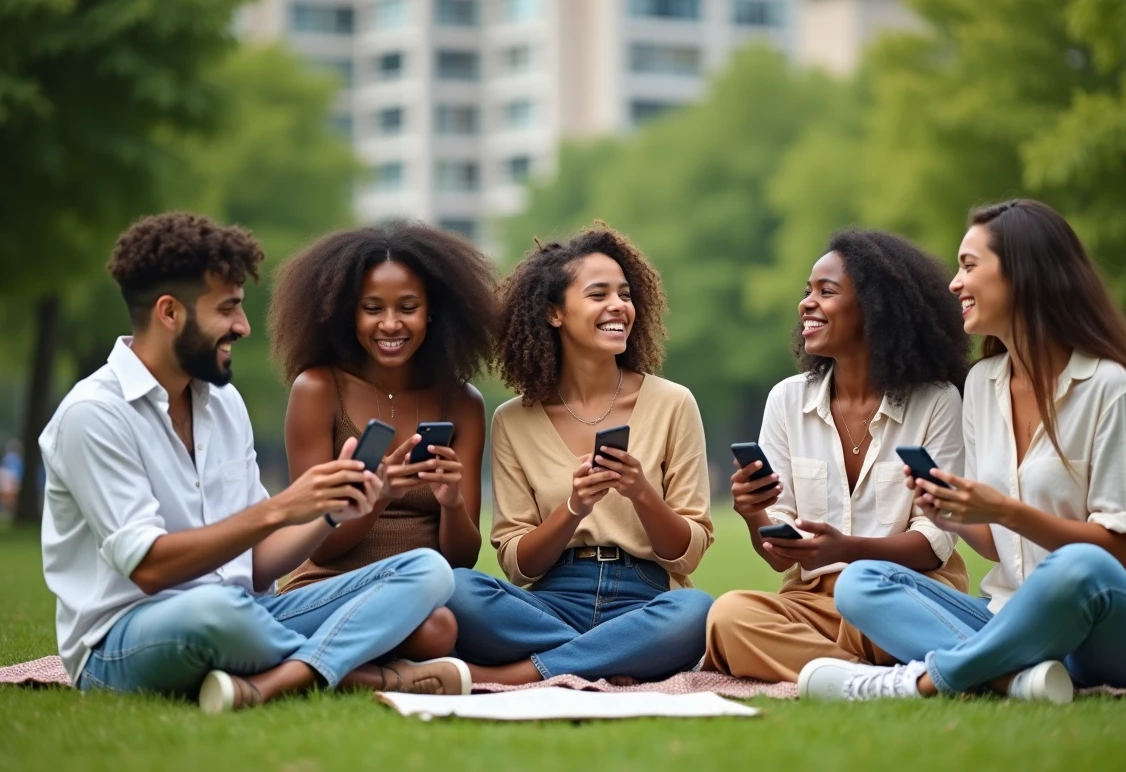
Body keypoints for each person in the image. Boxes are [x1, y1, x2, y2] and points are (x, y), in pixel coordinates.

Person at [39, 213, 471, 715]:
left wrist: (331, 512)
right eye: (228, 310)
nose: (243, 327)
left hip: (251, 613)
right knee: (215, 614)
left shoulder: (222, 404)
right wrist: (284, 507)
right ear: (169, 313)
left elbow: (259, 562)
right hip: (128, 639)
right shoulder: (94, 414)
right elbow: (150, 568)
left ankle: (284, 677)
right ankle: (362, 675)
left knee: (428, 571)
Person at [800, 199, 1126, 703]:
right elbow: (996, 545)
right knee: (860, 582)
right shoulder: (984, 383)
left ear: (1023, 275)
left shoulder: (1108, 387)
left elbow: (1116, 550)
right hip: (1013, 618)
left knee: (1078, 566)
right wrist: (952, 515)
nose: (954, 283)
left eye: (969, 266)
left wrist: (1004, 509)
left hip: (1123, 629)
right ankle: (1019, 679)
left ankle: (922, 681)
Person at [445, 223, 715, 685]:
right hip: (550, 600)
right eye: (598, 295)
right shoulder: (513, 420)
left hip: (645, 597)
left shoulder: (674, 403)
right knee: (454, 588)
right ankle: (612, 656)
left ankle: (520, 673)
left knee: (695, 611)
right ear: (554, 313)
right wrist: (573, 509)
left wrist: (641, 493)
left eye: (625, 294)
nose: (619, 306)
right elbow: (517, 564)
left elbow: (687, 555)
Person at [702, 228, 972, 684]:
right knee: (728, 617)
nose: (806, 304)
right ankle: (880, 681)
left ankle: (840, 674)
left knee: (871, 612)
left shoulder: (937, 401)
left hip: (900, 596)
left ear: (876, 309)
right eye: (807, 292)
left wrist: (847, 550)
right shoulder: (787, 400)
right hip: (811, 603)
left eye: (826, 292)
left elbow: (934, 544)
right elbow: (779, 559)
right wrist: (754, 514)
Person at [266, 221, 498, 666]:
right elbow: (318, 547)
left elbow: (463, 559)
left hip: (425, 592)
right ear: (348, 313)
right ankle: (360, 667)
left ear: (432, 312)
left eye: (407, 307)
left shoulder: (463, 403)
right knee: (437, 634)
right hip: (332, 585)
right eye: (372, 308)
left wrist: (450, 502)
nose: (390, 324)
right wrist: (378, 495)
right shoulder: (318, 389)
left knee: (438, 628)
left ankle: (324, 664)